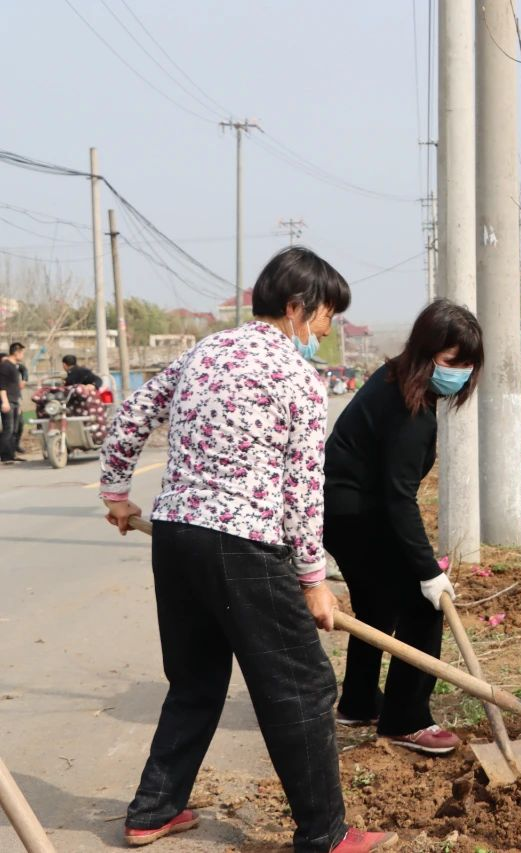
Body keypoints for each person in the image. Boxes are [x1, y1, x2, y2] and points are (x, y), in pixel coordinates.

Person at [98, 247, 396, 852]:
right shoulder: (297, 378)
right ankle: (325, 834)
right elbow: (302, 489)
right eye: (326, 316)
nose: (326, 330)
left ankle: (153, 810)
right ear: (297, 307)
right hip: (244, 544)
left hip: (177, 536)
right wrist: (313, 579)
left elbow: (132, 415)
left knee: (195, 680)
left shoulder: (203, 352)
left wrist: (117, 494)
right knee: (303, 686)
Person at [323, 299, 483, 755]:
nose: (460, 373)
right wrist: (428, 572)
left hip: (341, 509)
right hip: (355, 513)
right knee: (422, 608)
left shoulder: (395, 380)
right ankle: (406, 720)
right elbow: (399, 498)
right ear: (426, 351)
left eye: (468, 364)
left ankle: (358, 702)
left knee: (374, 604)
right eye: (452, 361)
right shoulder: (409, 411)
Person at [0, 342, 25, 464]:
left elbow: (15, 387)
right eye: (22, 353)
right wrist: (5, 402)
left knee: (15, 429)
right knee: (8, 429)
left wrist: (18, 403)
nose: (23, 355)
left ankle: (12, 454)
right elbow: (2, 386)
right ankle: (5, 457)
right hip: (8, 401)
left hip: (15, 401)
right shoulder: (5, 366)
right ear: (16, 352)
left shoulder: (15, 366)